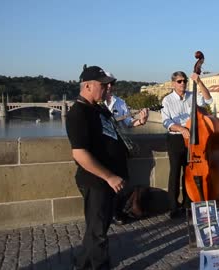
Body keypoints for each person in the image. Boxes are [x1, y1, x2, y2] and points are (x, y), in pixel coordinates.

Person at [66, 65, 127, 269]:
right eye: (103, 85)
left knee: (97, 228)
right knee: (98, 232)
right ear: (88, 85)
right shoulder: (78, 113)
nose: (107, 88)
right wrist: (109, 176)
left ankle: (82, 263)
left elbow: (112, 128)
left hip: (106, 180)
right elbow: (80, 154)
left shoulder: (98, 108)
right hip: (96, 181)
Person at [160, 71, 213, 219]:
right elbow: (166, 122)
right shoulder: (167, 100)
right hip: (176, 139)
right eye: (179, 81)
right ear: (173, 84)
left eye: (184, 81)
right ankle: (173, 206)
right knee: (175, 173)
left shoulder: (192, 95)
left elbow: (209, 100)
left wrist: (199, 82)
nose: (182, 83)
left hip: (192, 139)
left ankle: (188, 204)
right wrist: (181, 128)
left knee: (189, 173)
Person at [103, 71, 149, 225]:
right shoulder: (95, 103)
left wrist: (140, 121)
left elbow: (129, 123)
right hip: (101, 148)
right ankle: (103, 213)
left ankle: (117, 212)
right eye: (106, 83)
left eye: (112, 83)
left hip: (118, 147)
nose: (109, 86)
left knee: (122, 180)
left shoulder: (120, 103)